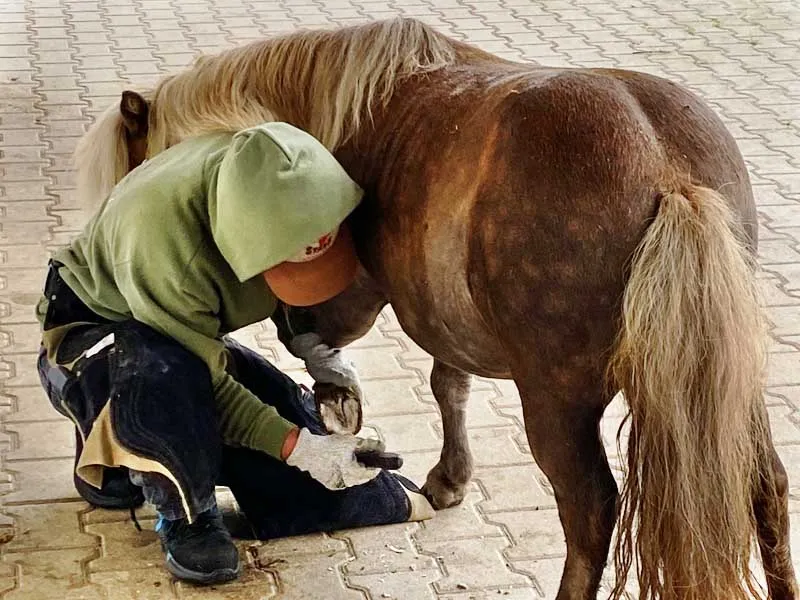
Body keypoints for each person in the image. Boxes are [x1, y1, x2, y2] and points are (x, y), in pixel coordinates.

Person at [35, 122, 434, 585]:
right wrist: (299, 448)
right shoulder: (166, 247)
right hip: (94, 335)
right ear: (249, 245)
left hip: (167, 327)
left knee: (295, 453)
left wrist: (322, 358)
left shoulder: (275, 173)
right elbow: (212, 387)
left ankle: (110, 460)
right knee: (173, 389)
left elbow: (291, 292)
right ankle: (186, 516)